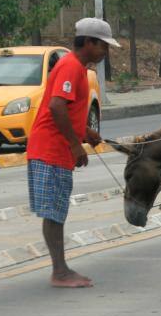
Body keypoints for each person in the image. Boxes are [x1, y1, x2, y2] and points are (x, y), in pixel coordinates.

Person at [26, 17, 119, 288]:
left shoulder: (76, 68)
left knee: (57, 210)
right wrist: (75, 145)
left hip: (55, 148)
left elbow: (69, 110)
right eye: (103, 46)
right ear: (88, 42)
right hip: (50, 149)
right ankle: (60, 271)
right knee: (54, 211)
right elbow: (56, 107)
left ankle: (61, 269)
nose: (106, 53)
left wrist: (85, 134)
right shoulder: (71, 66)